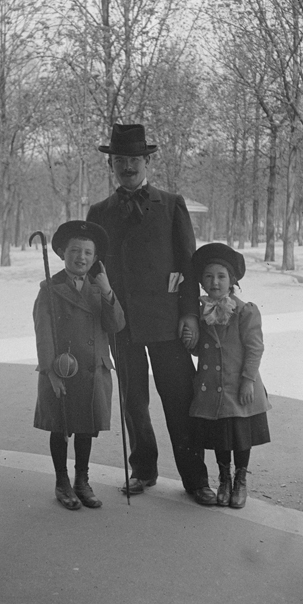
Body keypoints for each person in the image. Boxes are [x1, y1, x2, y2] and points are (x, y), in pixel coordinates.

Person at [87, 123, 216, 505]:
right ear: (112, 165)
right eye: (120, 160)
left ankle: (196, 479)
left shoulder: (171, 203)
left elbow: (188, 267)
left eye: (134, 159)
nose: (128, 166)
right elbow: (94, 269)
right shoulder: (99, 212)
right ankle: (143, 468)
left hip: (167, 322)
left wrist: (190, 316)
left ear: (147, 161)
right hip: (122, 324)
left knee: (179, 400)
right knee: (134, 400)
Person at [33, 220, 125, 511]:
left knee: (86, 427)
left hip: (93, 370)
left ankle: (81, 480)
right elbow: (43, 334)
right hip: (62, 372)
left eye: (87, 252)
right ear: (62, 253)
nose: (81, 257)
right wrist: (50, 372)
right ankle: (62, 481)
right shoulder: (49, 289)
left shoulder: (100, 289)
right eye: (75, 250)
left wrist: (109, 293)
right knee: (60, 427)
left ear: (95, 258)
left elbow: (116, 325)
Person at [188, 242, 271, 509]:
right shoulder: (200, 312)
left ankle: (240, 481)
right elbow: (202, 351)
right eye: (209, 277)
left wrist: (248, 380)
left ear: (232, 280)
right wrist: (191, 341)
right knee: (221, 436)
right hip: (213, 387)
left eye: (221, 276)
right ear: (201, 281)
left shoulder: (245, 310)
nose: (215, 282)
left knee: (240, 436)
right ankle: (224, 479)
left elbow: (255, 347)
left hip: (238, 385)